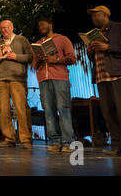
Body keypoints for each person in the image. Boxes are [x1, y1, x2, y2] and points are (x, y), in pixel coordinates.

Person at [86, 5, 121, 157]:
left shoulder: (120, 27)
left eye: (96, 15)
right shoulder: (94, 34)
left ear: (105, 15)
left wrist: (108, 46)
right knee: (109, 114)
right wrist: (90, 51)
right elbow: (93, 57)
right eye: (92, 16)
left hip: (118, 75)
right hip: (101, 77)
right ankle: (116, 146)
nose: (93, 18)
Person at [32, 17, 77, 153]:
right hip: (43, 80)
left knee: (63, 109)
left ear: (50, 25)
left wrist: (56, 59)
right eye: (39, 26)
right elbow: (33, 66)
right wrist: (38, 59)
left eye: (43, 25)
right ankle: (55, 141)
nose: (41, 28)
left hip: (59, 78)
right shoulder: (38, 44)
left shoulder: (62, 39)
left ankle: (68, 142)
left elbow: (72, 58)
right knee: (49, 111)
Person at [0, 20, 33, 149]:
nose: (4, 30)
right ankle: (9, 138)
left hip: (17, 79)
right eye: (2, 28)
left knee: (21, 109)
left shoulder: (21, 40)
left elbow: (30, 57)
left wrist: (16, 57)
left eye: (6, 27)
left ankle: (26, 139)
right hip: (1, 79)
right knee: (3, 110)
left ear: (12, 27)